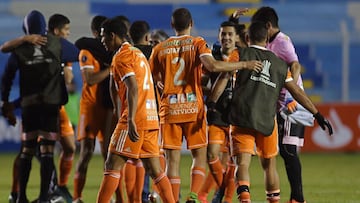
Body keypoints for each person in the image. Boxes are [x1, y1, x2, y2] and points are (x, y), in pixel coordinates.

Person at [149, 7, 263, 202]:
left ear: (172, 25)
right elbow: (212, 66)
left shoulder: (159, 49)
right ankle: (194, 195)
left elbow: (151, 77)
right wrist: (244, 64)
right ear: (191, 24)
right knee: (199, 157)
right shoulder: (197, 43)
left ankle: (174, 199)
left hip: (169, 109)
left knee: (172, 162)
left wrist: (161, 84)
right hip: (193, 109)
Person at [212, 21, 332, 203]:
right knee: (269, 166)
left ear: (246, 38)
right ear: (267, 39)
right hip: (267, 121)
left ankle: (245, 199)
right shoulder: (281, 65)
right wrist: (317, 114)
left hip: (241, 118)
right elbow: (297, 92)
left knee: (242, 163)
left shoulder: (239, 54)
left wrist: (211, 104)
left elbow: (224, 76)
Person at [0, 10, 79, 203]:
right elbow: (78, 53)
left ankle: (21, 197)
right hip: (50, 106)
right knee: (47, 151)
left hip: (29, 106)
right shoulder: (57, 43)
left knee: (27, 150)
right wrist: (65, 66)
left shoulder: (20, 48)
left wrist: (6, 104)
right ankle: (44, 197)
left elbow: (7, 77)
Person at [96, 17, 175, 203]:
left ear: (112, 35)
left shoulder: (122, 56)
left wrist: (130, 119)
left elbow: (132, 86)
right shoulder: (138, 54)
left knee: (112, 165)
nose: (101, 41)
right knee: (155, 170)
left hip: (135, 118)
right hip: (150, 118)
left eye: (103, 36)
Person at [251, 6, 312, 203]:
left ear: (268, 26)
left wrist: (291, 93)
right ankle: (296, 197)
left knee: (287, 150)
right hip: (278, 103)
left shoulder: (282, 41)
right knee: (283, 151)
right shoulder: (269, 42)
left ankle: (297, 198)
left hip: (290, 103)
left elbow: (294, 64)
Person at [200, 20, 247, 203]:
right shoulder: (212, 56)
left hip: (236, 114)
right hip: (217, 112)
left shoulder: (243, 56)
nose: (226, 37)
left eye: (230, 34)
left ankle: (226, 199)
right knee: (212, 154)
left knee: (232, 161)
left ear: (236, 37)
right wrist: (211, 95)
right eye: (223, 34)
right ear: (219, 36)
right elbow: (202, 84)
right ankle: (220, 188)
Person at [73, 15, 118, 203]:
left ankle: (116, 198)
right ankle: (77, 197)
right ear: (95, 33)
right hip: (90, 107)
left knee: (109, 154)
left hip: (107, 108)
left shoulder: (109, 53)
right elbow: (90, 79)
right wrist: (110, 69)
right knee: (87, 151)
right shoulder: (86, 52)